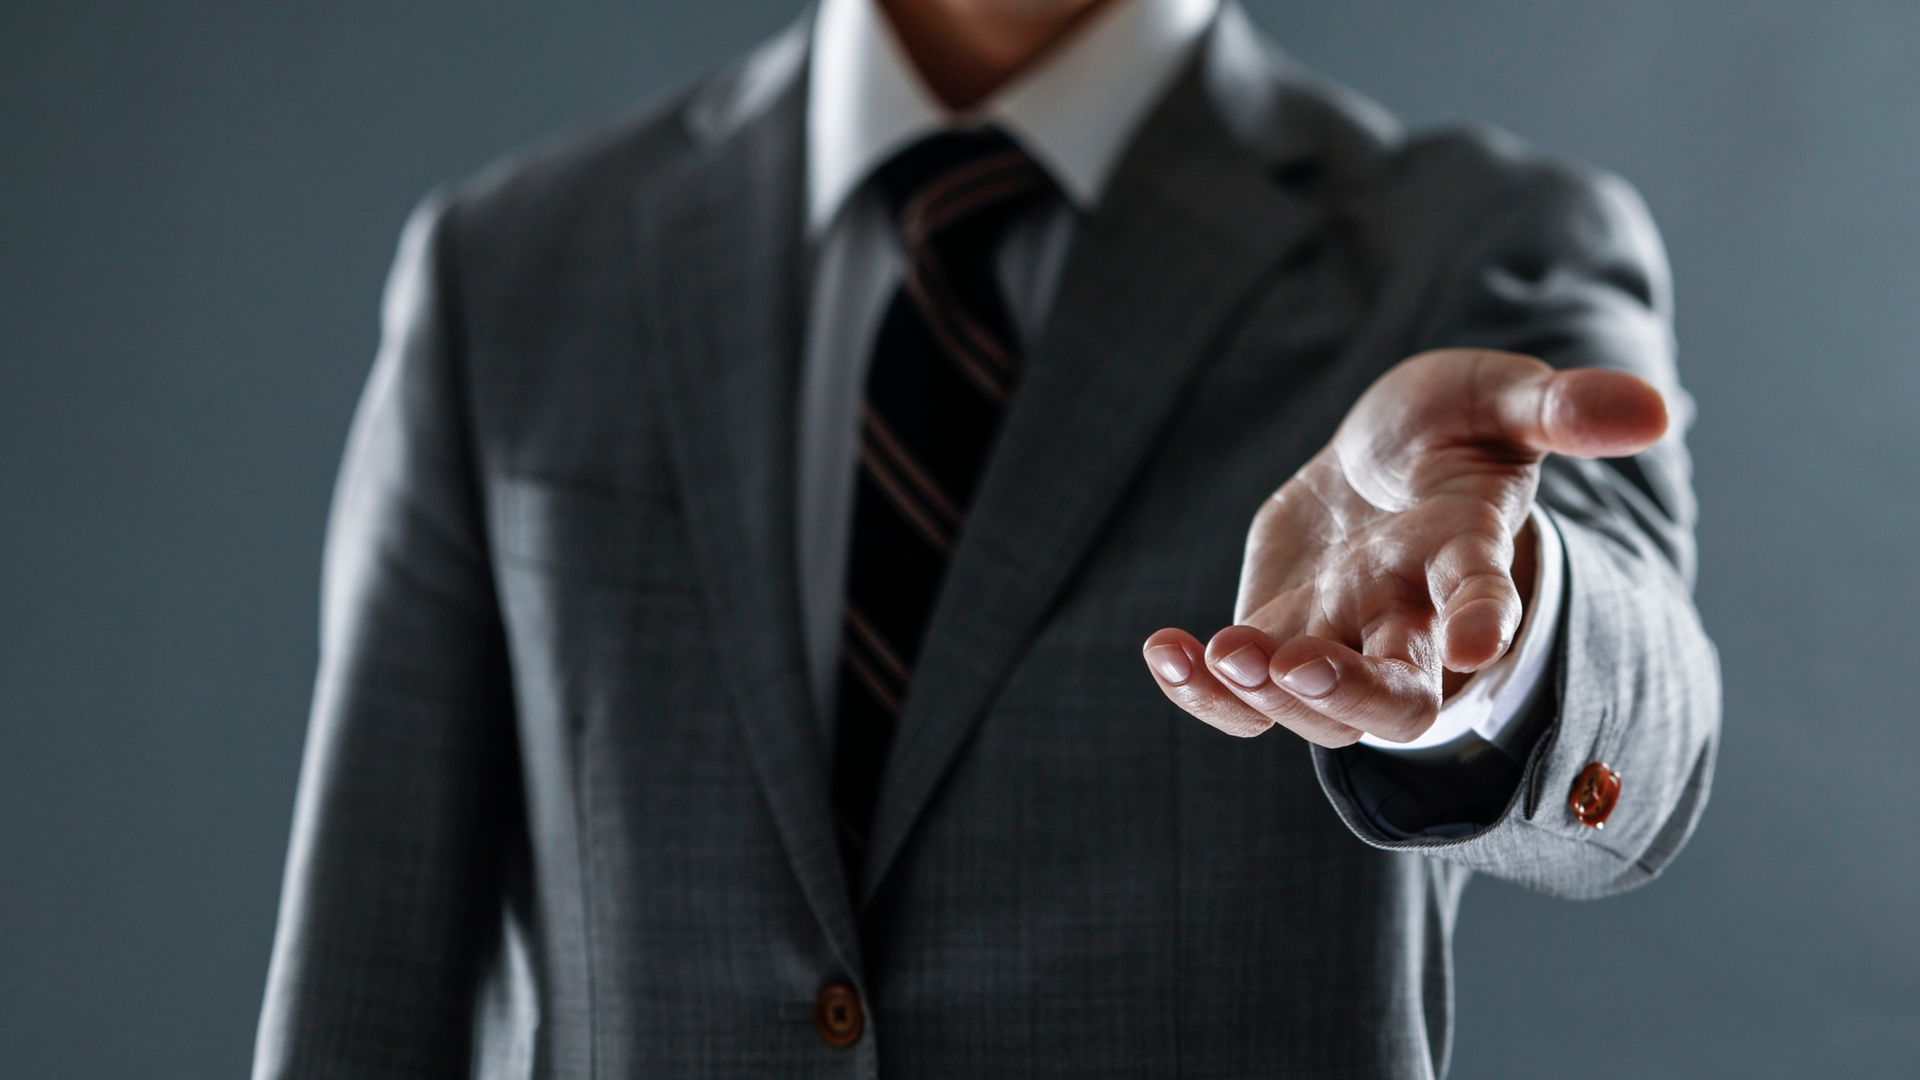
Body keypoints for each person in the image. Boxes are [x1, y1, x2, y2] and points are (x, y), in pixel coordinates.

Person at [253, 0, 1720, 1075]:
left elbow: (1641, 754)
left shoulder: (1469, 241)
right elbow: (368, 981)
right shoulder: (510, 272)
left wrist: (1499, 642)